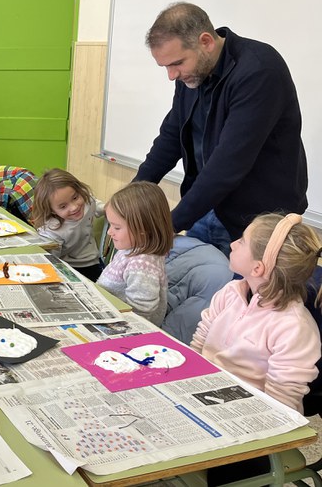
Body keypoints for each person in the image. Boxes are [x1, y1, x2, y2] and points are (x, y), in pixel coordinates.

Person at [135, 2, 307, 255]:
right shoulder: (193, 73)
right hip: (207, 207)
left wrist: (168, 226)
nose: (172, 75)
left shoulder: (259, 70)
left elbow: (229, 162)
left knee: (244, 294)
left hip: (258, 223)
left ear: (205, 41)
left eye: (177, 63)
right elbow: (172, 135)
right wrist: (132, 195)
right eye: (165, 67)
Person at [191, 213, 322, 413]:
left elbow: (281, 404)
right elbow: (199, 346)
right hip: (204, 392)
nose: (233, 244)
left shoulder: (294, 328)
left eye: (242, 241)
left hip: (251, 412)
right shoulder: (230, 292)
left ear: (258, 268)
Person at [96, 182, 174, 325]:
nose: (109, 232)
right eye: (110, 225)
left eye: (117, 227)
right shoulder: (131, 247)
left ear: (143, 231)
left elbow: (140, 312)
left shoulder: (142, 265)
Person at [30, 169, 104, 282]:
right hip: (69, 267)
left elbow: (95, 204)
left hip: (93, 261)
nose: (74, 207)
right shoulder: (52, 230)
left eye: (75, 198)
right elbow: (52, 260)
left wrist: (109, 207)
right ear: (52, 210)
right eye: (63, 206)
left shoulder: (86, 201)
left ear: (79, 190)